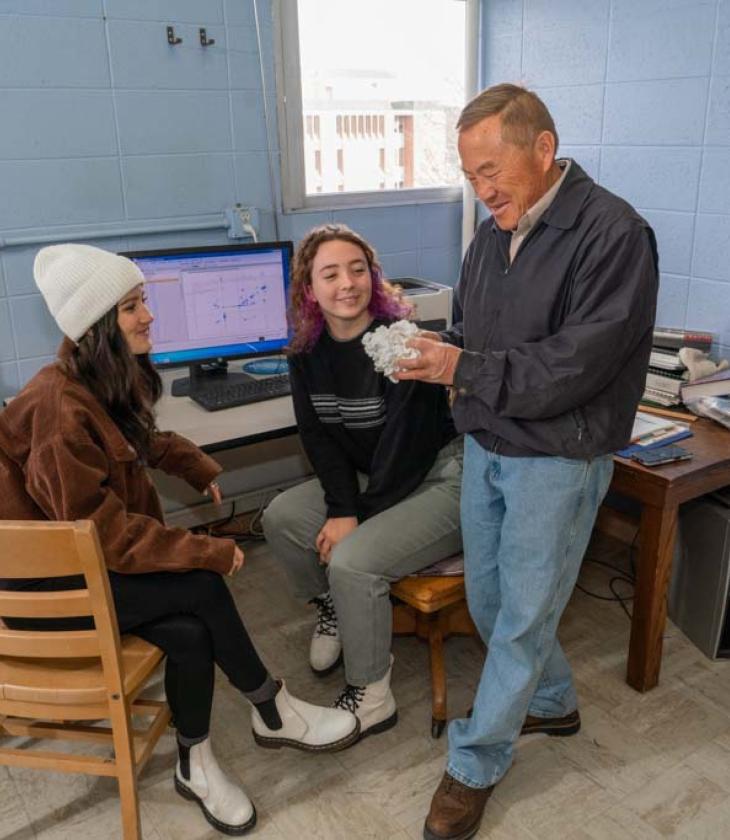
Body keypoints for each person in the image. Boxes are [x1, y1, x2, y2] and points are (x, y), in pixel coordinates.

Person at [0, 244, 359, 836]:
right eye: (132, 308)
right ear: (95, 328)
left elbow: (136, 439)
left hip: (88, 574)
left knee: (193, 631)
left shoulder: (86, 381)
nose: (148, 316)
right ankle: (272, 709)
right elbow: (105, 536)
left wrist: (194, 465)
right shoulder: (58, 412)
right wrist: (207, 548)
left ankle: (195, 761)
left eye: (143, 302)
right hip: (48, 597)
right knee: (201, 583)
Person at [394, 84, 659, 840]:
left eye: (490, 170)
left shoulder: (614, 233)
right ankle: (552, 702)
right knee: (489, 600)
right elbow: (476, 334)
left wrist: (461, 372)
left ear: (543, 149)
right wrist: (449, 376)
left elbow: (575, 366)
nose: (482, 190)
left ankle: (474, 764)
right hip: (489, 443)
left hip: (560, 454)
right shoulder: (491, 235)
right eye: (469, 175)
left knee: (518, 621)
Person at [262, 224, 462, 738]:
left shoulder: (400, 345)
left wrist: (355, 518)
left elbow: (406, 452)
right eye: (330, 274)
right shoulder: (305, 352)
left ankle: (373, 693)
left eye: (358, 270)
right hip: (374, 475)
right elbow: (319, 439)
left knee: (351, 562)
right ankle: (333, 608)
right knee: (281, 518)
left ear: (373, 278)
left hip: (438, 478)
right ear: (309, 289)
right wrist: (341, 507)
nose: (347, 283)